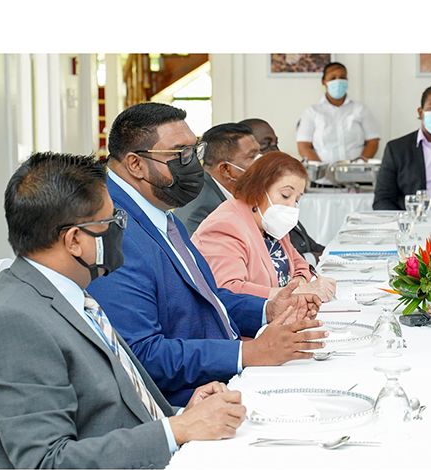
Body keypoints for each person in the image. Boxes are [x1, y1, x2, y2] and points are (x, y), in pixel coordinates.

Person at [0, 152, 247, 469]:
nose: (121, 232)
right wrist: (177, 430)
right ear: (74, 240)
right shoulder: (13, 324)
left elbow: (106, 409)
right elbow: (46, 466)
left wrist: (181, 414)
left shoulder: (69, 295)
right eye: (113, 222)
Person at [86, 102, 327, 408]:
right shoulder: (114, 228)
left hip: (224, 374)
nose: (193, 165)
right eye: (180, 154)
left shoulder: (157, 211)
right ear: (135, 164)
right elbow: (140, 354)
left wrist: (267, 308)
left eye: (194, 151)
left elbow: (202, 300)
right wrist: (247, 354)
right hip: (190, 401)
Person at [192, 152, 336, 302]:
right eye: (286, 195)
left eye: (297, 200)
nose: (292, 206)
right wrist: (296, 292)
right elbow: (229, 290)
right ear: (258, 189)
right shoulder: (224, 226)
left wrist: (299, 280)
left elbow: (300, 264)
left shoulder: (268, 222)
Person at [173, 123, 260, 237]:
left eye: (260, 153)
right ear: (225, 169)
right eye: (252, 156)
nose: (261, 162)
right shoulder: (203, 209)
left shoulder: (239, 193)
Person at [296, 62, 380, 163]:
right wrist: (325, 171)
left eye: (342, 77)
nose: (338, 81)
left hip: (357, 175)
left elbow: (372, 142)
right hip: (322, 177)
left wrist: (358, 165)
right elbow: (303, 146)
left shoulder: (360, 109)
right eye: (333, 78)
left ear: (347, 80)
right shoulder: (312, 112)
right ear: (324, 82)